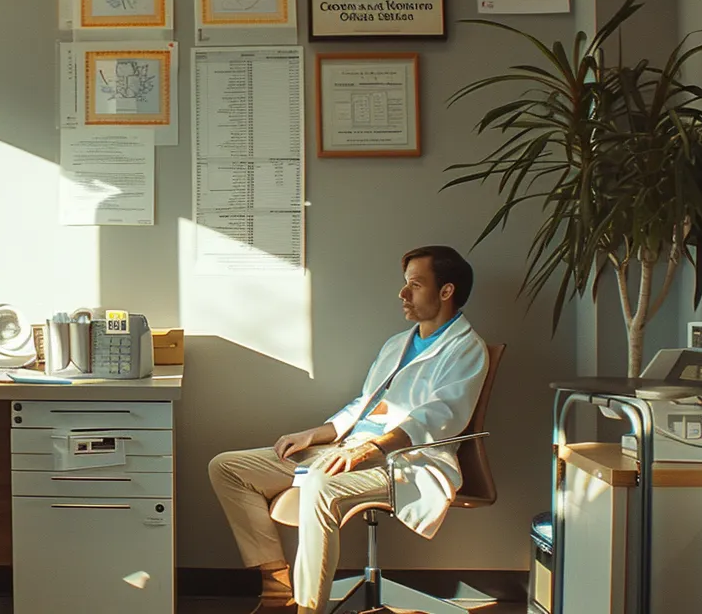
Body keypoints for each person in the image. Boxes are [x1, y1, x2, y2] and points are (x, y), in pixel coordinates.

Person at [208, 246, 490, 614]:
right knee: (228, 467)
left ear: (446, 291)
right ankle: (278, 586)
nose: (403, 294)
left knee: (319, 486)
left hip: (407, 460)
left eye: (415, 285)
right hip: (348, 448)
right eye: (405, 285)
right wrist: (318, 433)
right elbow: (365, 403)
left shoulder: (468, 349)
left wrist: (368, 450)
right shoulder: (398, 344)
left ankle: (309, 610)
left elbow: (437, 416)